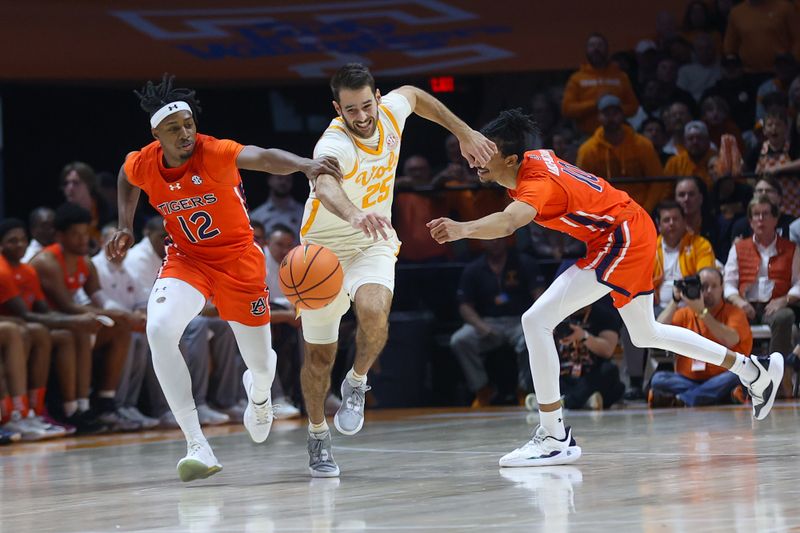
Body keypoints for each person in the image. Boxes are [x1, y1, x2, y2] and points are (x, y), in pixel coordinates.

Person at [427, 109, 783, 468]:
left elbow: (508, 224)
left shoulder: (536, 182)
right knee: (645, 333)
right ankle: (754, 370)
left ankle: (554, 436)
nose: (474, 161)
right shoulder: (532, 160)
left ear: (511, 159)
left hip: (621, 237)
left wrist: (462, 229)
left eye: (484, 154)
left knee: (536, 321)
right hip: (627, 229)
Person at [105, 74, 342, 482]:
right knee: (159, 329)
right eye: (173, 128)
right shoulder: (143, 162)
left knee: (260, 366)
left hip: (238, 262)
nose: (185, 133)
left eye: (188, 124)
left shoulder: (212, 152)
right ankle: (196, 443)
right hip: (187, 260)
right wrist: (125, 224)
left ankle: (261, 394)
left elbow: (264, 156)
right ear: (156, 135)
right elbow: (126, 177)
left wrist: (304, 165)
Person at [297, 63, 495, 477]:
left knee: (374, 314)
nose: (362, 116)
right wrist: (353, 213)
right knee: (319, 356)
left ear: (378, 97)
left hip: (372, 242)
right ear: (338, 108)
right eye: (351, 110)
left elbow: (419, 97)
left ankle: (357, 381)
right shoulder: (333, 144)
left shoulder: (392, 110)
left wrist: (463, 132)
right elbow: (325, 185)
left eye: (367, 105)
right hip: (322, 252)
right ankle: (317, 434)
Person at [652, 267, 753, 407]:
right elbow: (657, 332)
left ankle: (684, 398)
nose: (709, 291)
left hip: (722, 376)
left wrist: (702, 312)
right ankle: (711, 396)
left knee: (737, 376)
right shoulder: (685, 312)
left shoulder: (735, 313)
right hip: (688, 379)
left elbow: (730, 340)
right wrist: (675, 301)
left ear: (722, 287)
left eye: (714, 286)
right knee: (658, 379)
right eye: (704, 286)